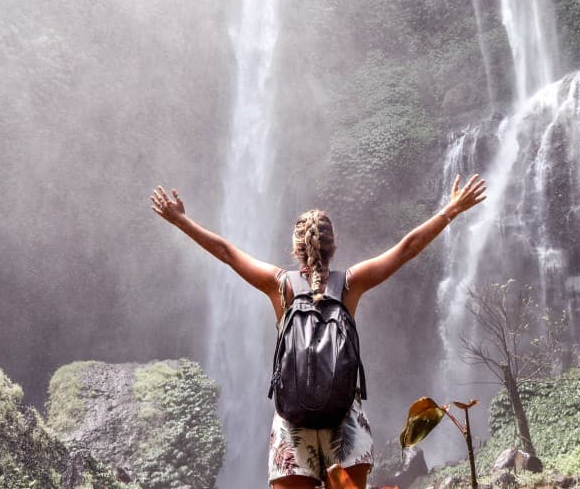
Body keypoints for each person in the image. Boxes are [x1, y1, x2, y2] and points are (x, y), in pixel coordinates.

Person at [151, 174, 487, 489]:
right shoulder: (350, 284)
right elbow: (406, 248)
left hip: (292, 424)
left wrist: (181, 220)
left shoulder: (279, 285)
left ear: (296, 248)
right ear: (333, 246)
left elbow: (226, 252)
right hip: (345, 421)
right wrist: (451, 210)